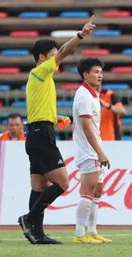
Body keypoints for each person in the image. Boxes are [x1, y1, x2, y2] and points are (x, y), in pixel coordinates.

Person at [18, 16, 95, 244]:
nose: (57, 60)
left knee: (39, 186)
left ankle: (36, 234)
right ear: (42, 58)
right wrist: (81, 35)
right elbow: (63, 51)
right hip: (41, 135)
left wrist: (55, 117)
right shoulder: (41, 71)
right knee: (63, 182)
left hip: (37, 132)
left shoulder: (39, 79)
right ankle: (29, 219)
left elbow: (37, 108)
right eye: (52, 56)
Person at [72, 58, 112, 244]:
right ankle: (80, 234)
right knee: (87, 190)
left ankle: (92, 230)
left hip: (95, 149)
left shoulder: (93, 95)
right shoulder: (84, 96)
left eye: (101, 72)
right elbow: (87, 127)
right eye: (95, 72)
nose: (100, 75)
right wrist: (100, 152)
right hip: (89, 151)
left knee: (97, 190)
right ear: (85, 74)